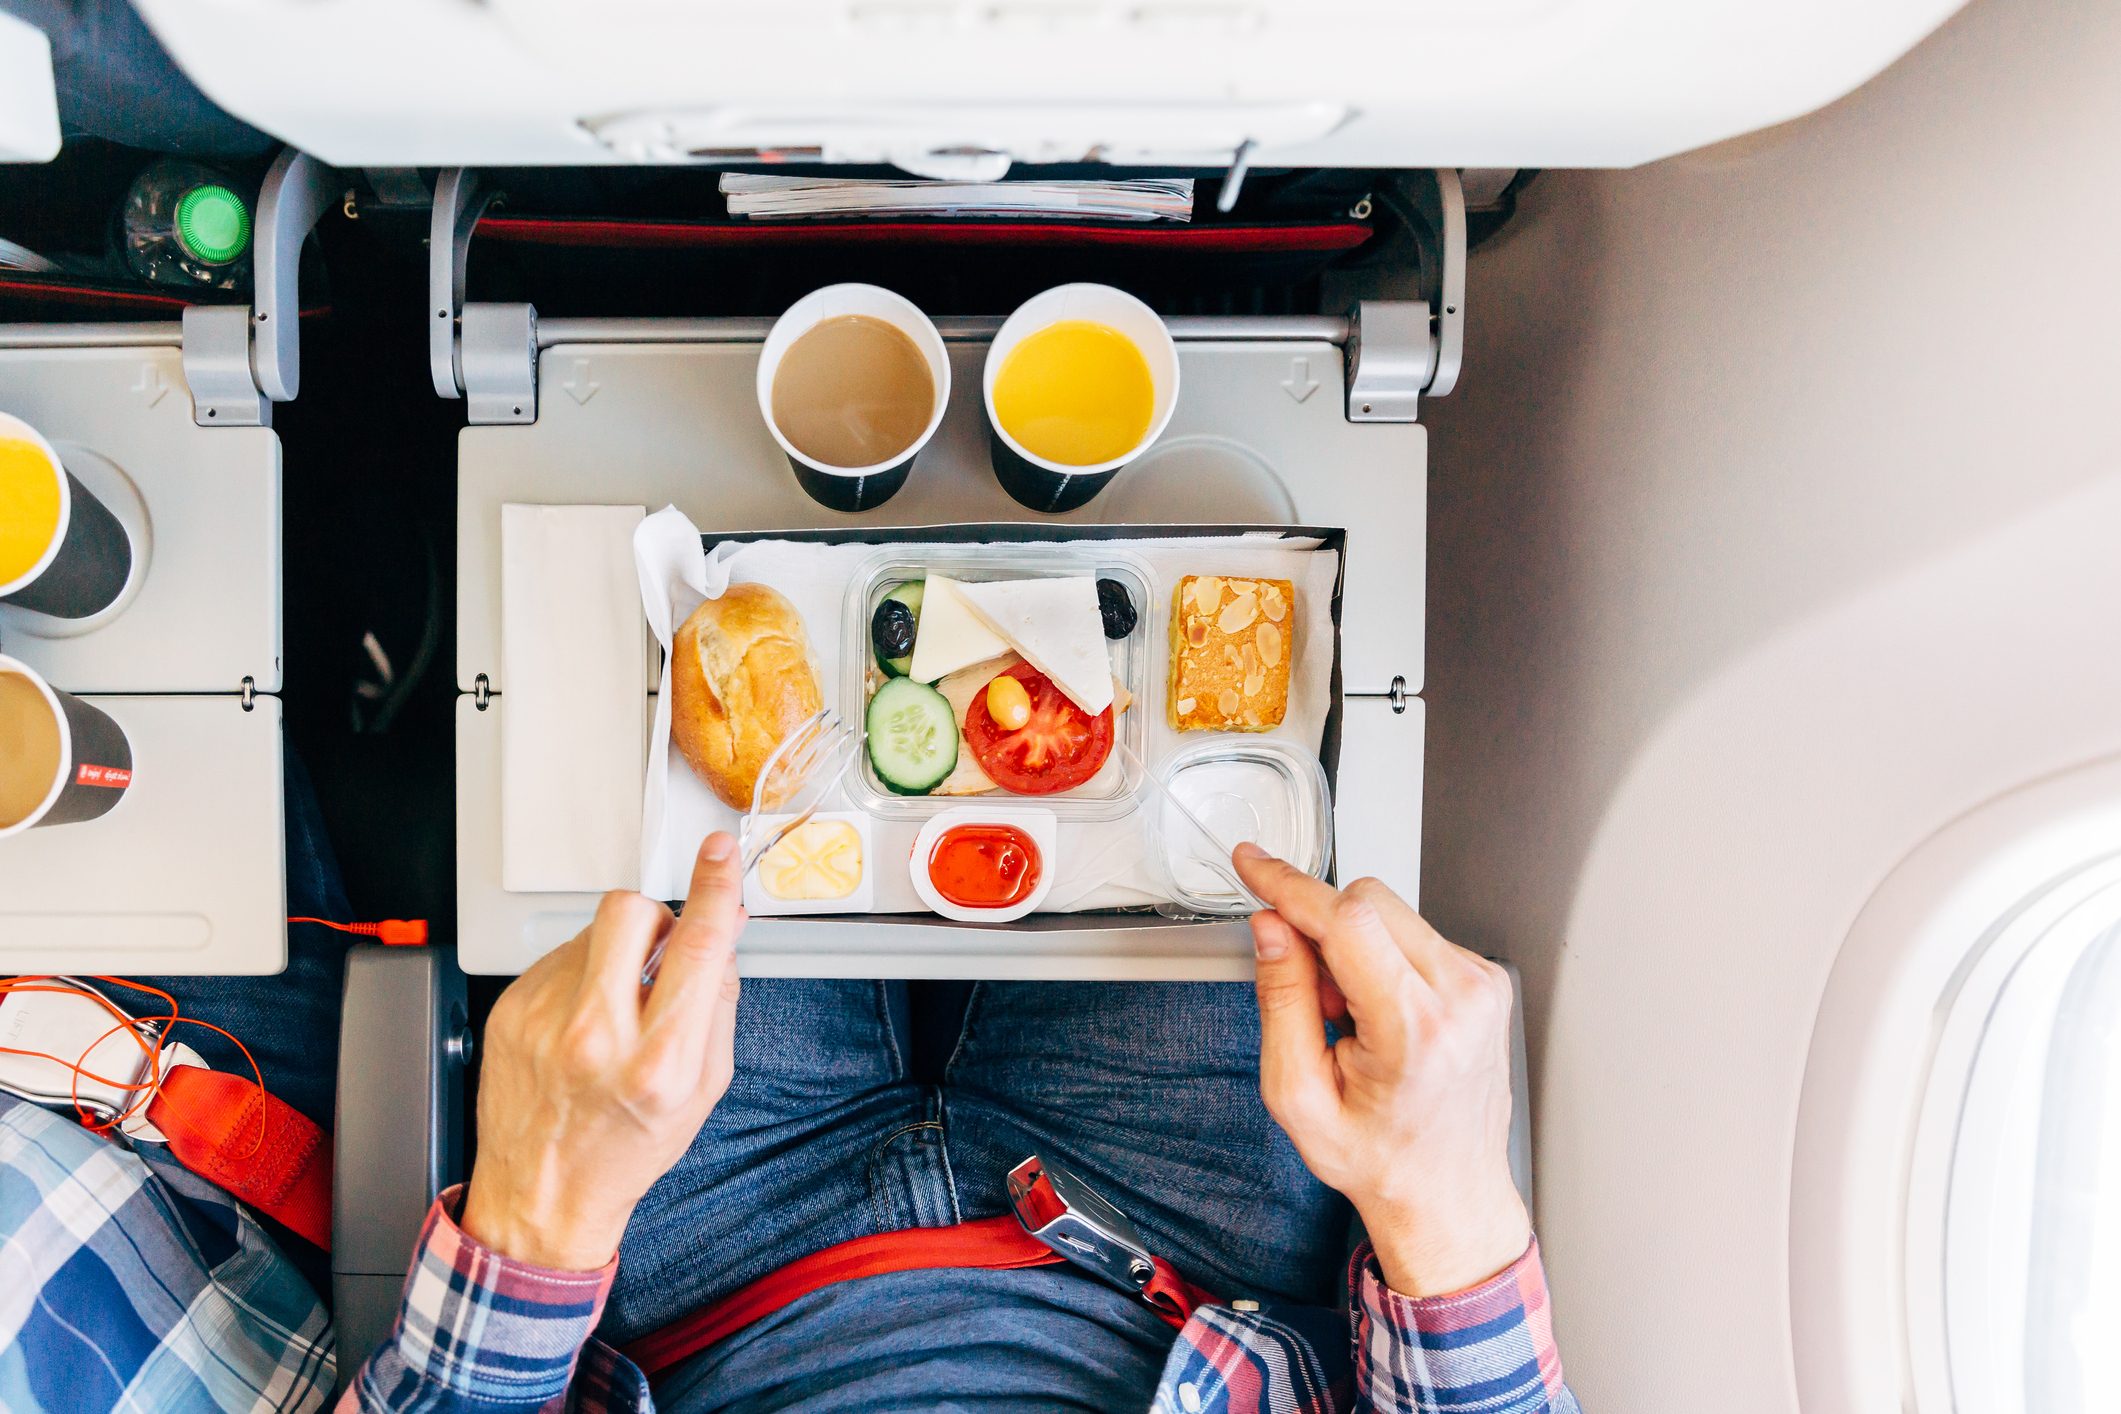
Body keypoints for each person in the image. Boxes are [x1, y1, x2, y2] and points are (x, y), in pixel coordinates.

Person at [0, 827, 1575, 1413]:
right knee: (1159, 698)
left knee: (687, 721)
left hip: (700, 1266)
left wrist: (542, 1213)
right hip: (1177, 1255)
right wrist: (1443, 1198)